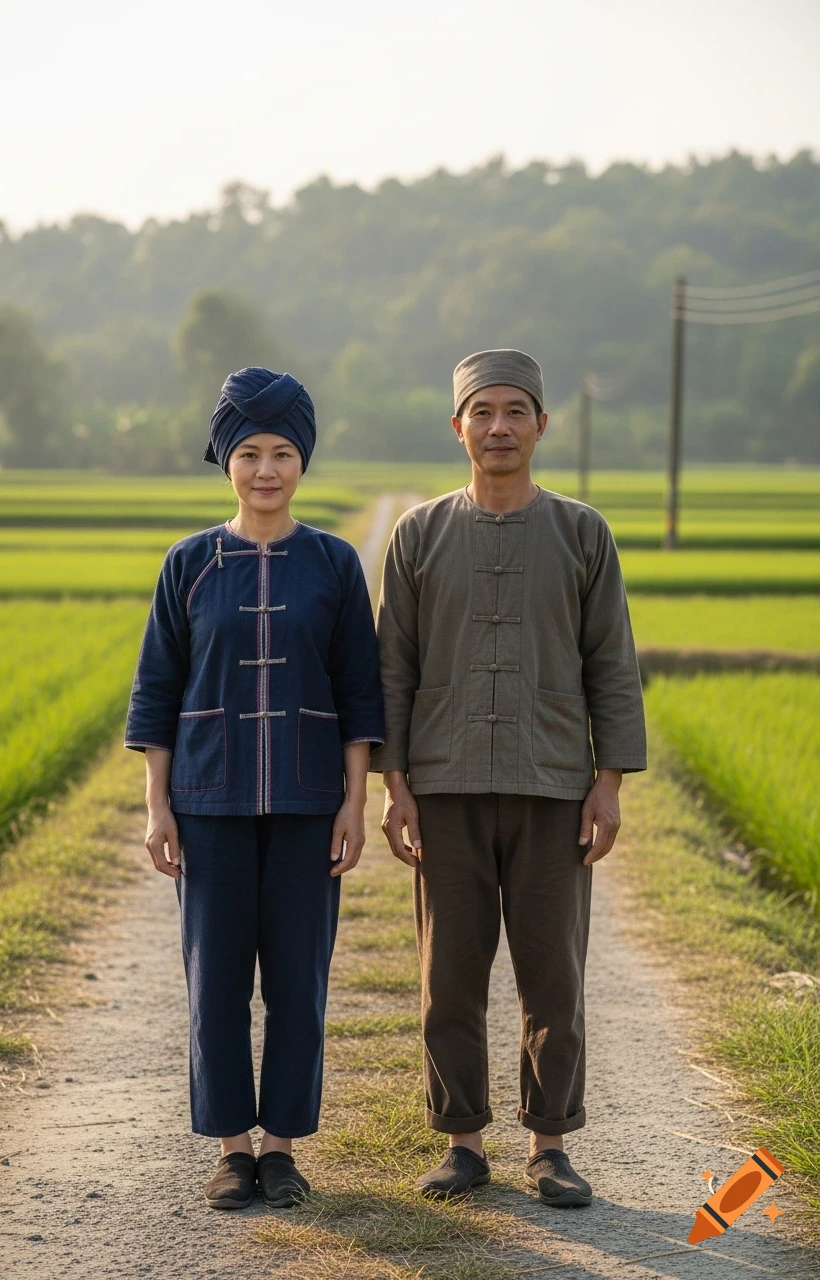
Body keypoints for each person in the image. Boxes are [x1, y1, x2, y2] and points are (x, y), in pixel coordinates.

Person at [372, 349, 646, 1206]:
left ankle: (550, 1145)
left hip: (554, 783)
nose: (498, 427)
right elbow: (394, 670)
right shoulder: (418, 534)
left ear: (540, 425)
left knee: (552, 973)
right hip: (445, 786)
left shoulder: (581, 532)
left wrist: (609, 783)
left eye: (514, 412)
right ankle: (463, 1142)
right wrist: (395, 786)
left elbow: (612, 661)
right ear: (458, 427)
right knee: (449, 973)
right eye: (481, 412)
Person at [125, 367, 384, 1211]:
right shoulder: (189, 564)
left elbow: (358, 693)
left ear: (302, 462)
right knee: (216, 984)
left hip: (310, 805)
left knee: (300, 982)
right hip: (208, 802)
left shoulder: (333, 565)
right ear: (225, 462)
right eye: (248, 453)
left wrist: (354, 801)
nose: (265, 469)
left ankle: (282, 1149)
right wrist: (157, 803)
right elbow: (156, 690)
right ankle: (232, 1150)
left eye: (281, 453)